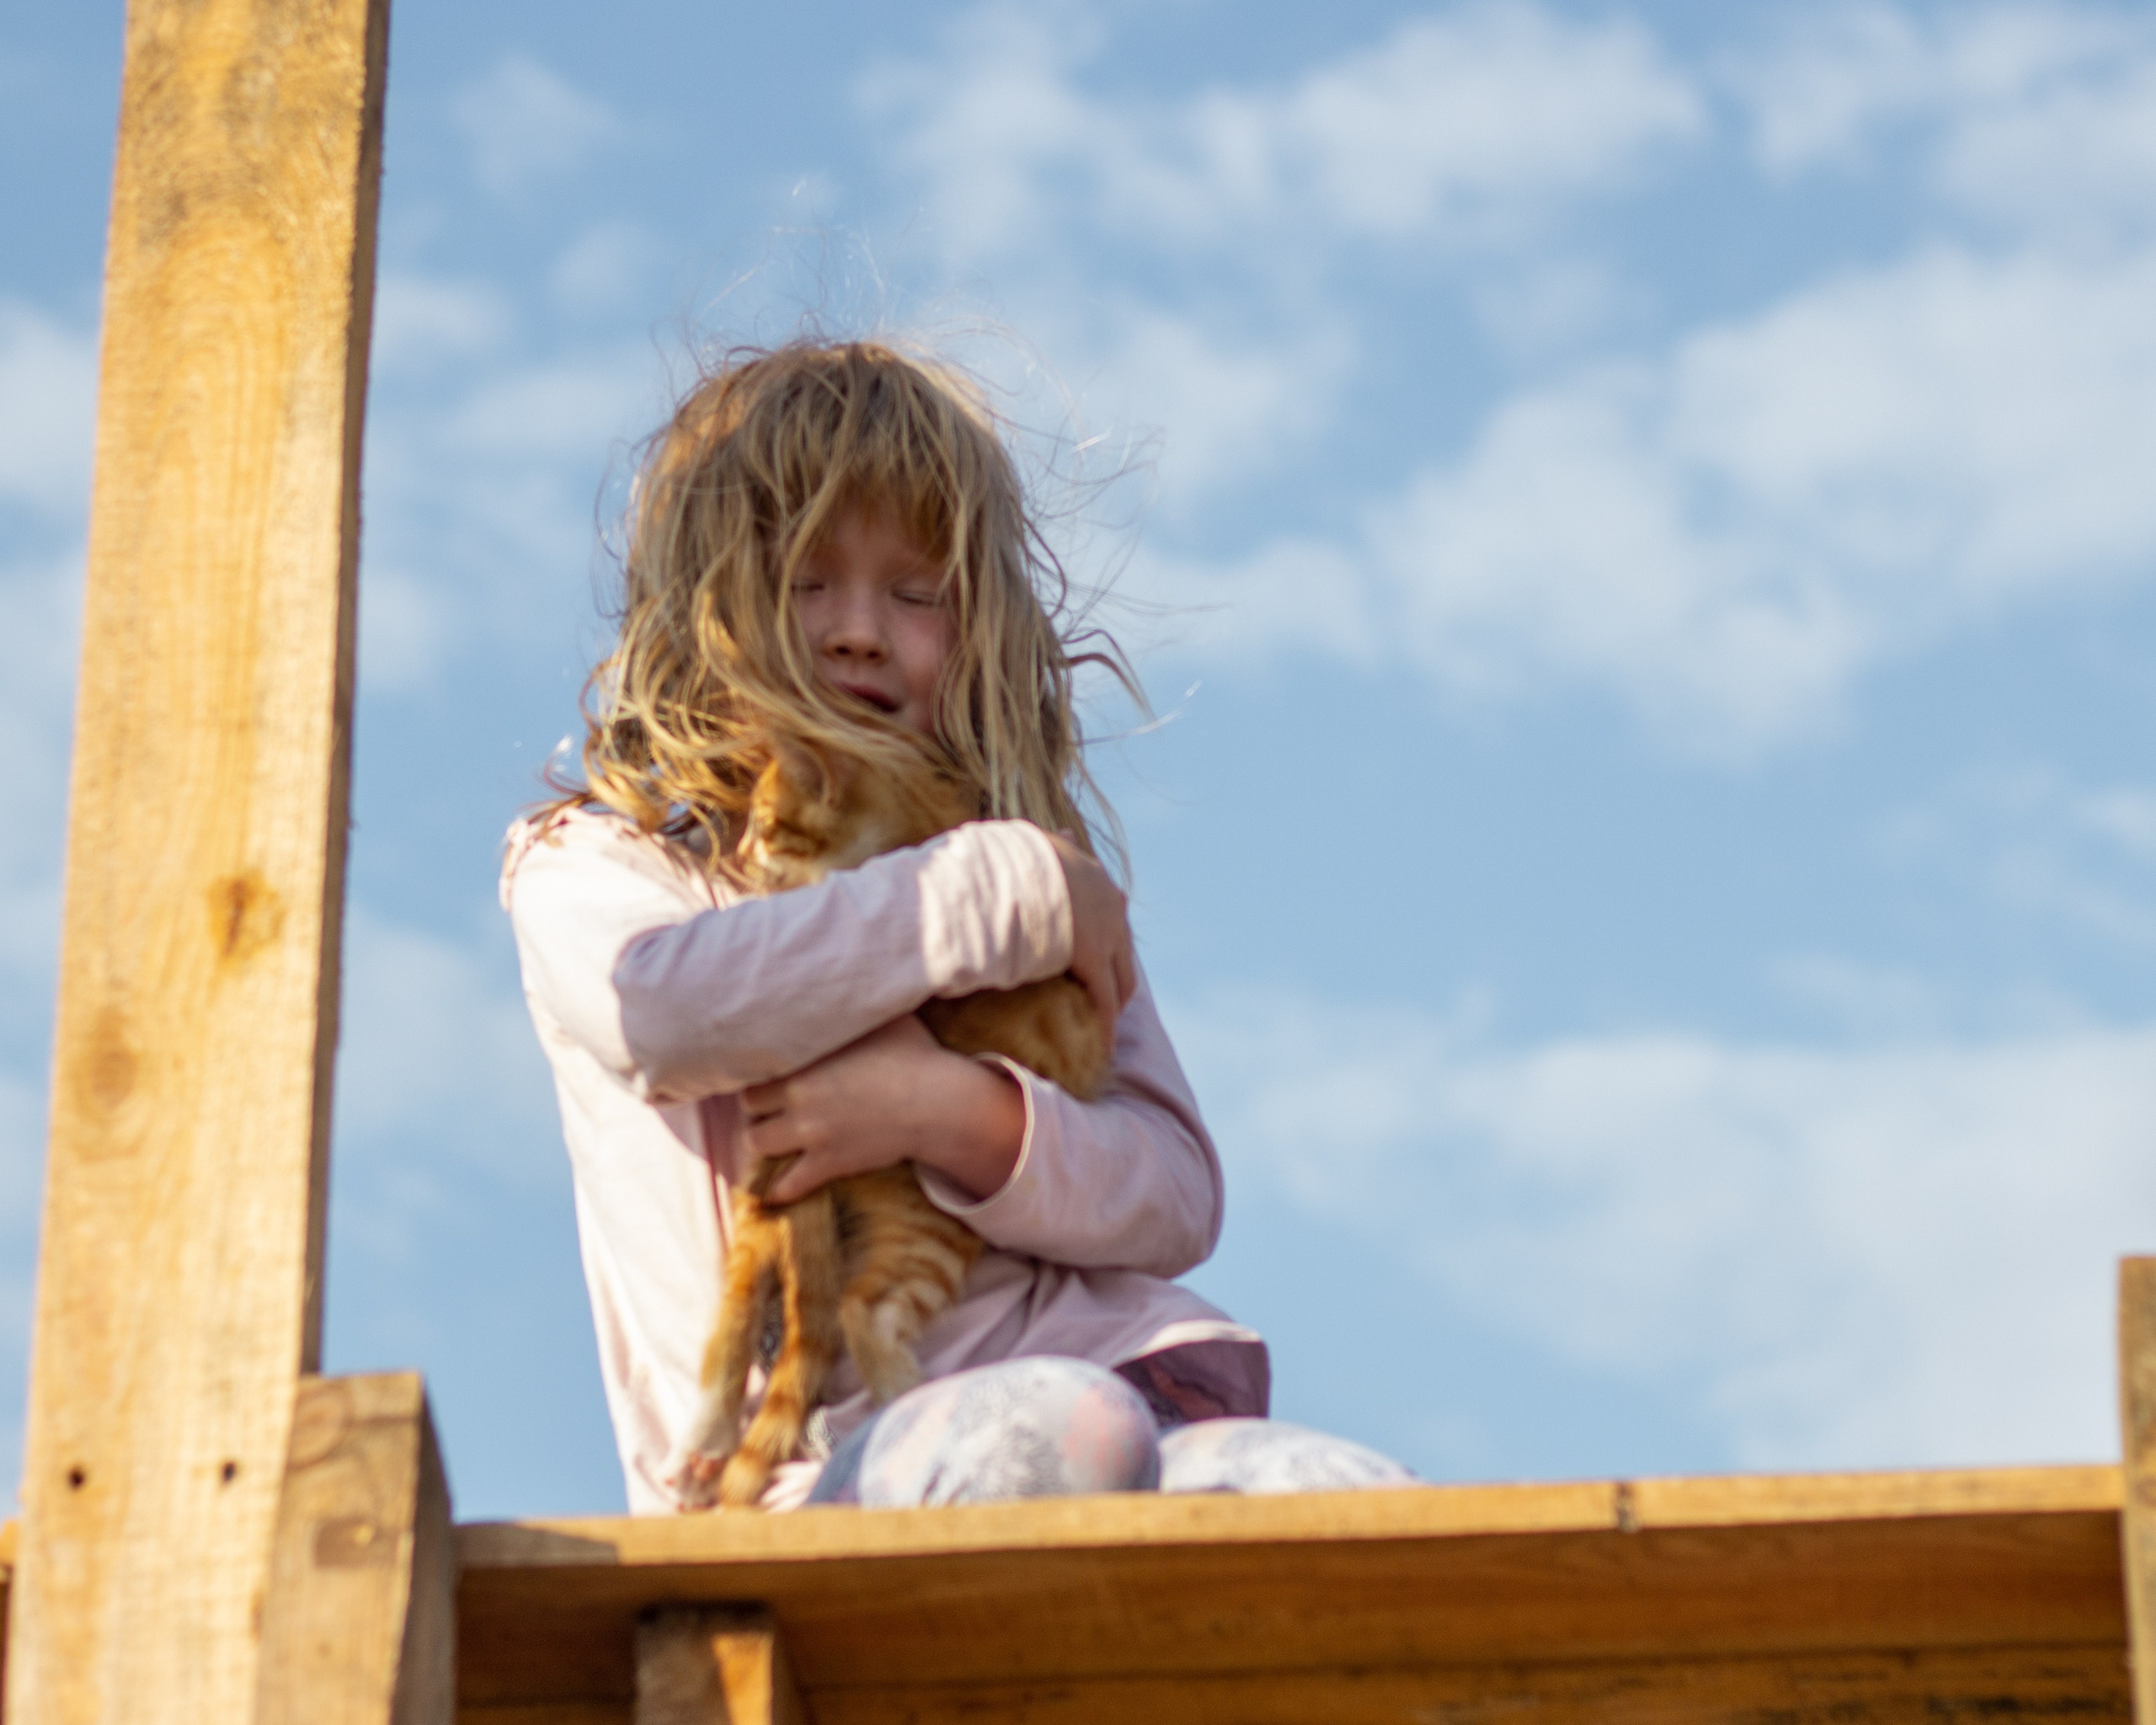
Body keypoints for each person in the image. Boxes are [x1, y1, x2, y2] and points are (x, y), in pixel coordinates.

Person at [502, 338, 1412, 1512]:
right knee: (1054, 1431)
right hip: (813, 1465)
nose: (857, 630)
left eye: (914, 591)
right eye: (802, 579)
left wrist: (957, 1113)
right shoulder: (605, 864)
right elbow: (663, 1008)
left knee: (1337, 1496)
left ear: (974, 628)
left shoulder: (1022, 882)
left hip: (1122, 1383)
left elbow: (1177, 1188)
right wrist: (1001, 892)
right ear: (703, 606)